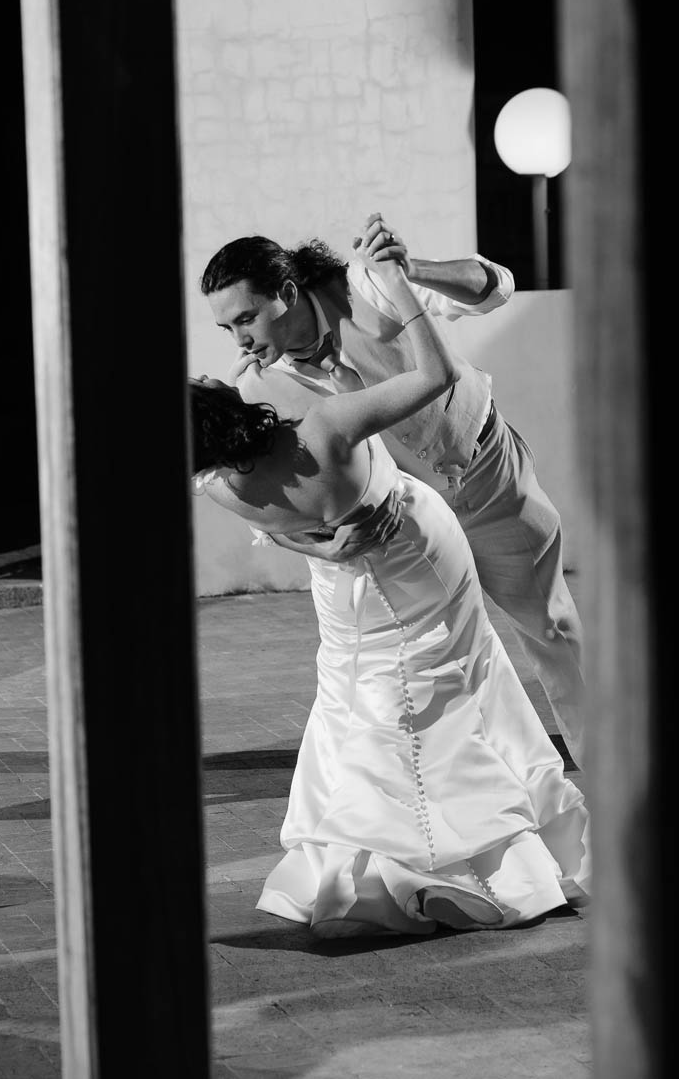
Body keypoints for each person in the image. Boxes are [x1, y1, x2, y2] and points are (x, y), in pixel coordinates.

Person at [190, 238, 590, 939]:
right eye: (227, 329)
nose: (240, 339)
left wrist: (408, 273)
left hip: (481, 480)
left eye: (245, 318)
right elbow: (259, 495)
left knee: (548, 630)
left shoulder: (366, 289)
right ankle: (472, 844)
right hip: (403, 542)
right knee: (456, 673)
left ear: (286, 291)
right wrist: (309, 539)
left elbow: (494, 283)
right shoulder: (257, 389)